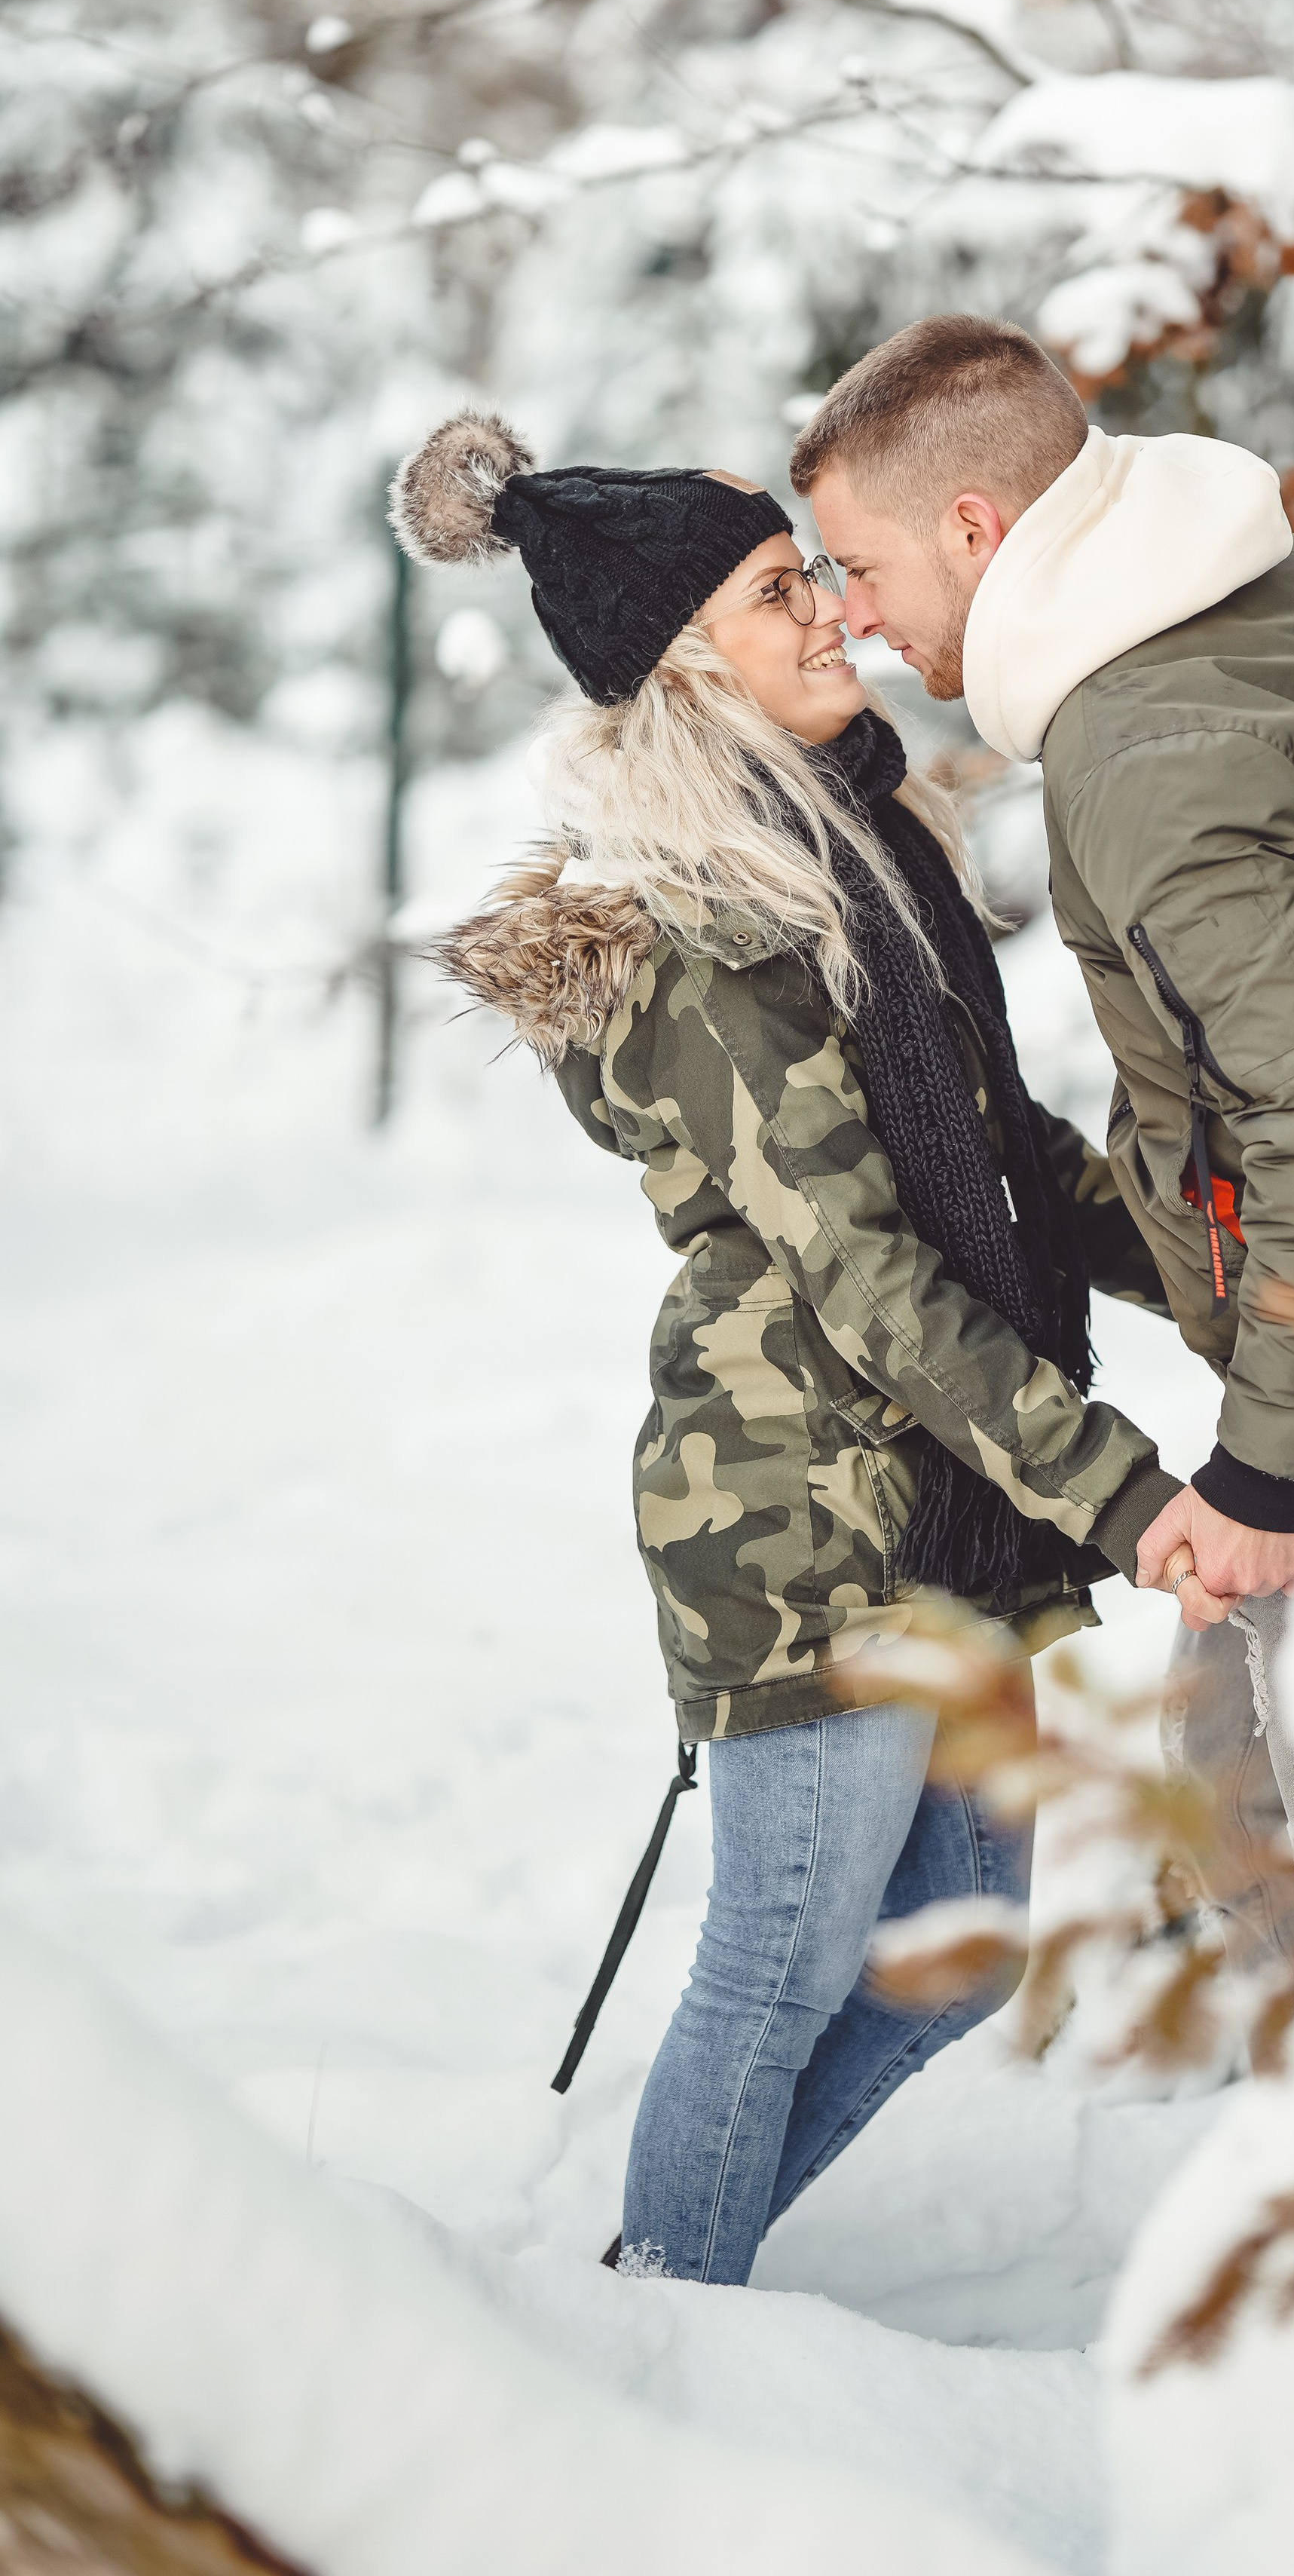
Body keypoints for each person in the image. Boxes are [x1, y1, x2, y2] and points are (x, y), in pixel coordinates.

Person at [388, 410, 1190, 2282]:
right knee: (778, 1965)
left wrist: (1226, 1281)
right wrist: (1126, 1496)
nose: (834, 608)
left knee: (967, 1938)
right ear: (684, 660)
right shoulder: (706, 932)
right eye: (779, 590)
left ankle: (684, 2278)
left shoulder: (858, 854)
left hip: (945, 1499)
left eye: (817, 572)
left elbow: (1005, 1158)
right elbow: (874, 1282)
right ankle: (657, 2320)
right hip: (802, 1519)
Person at [791, 314, 1294, 1967]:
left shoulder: (1145, 754)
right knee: (1235, 1773)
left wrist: (1264, 1467)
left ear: (973, 530)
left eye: (857, 565)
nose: (849, 616)